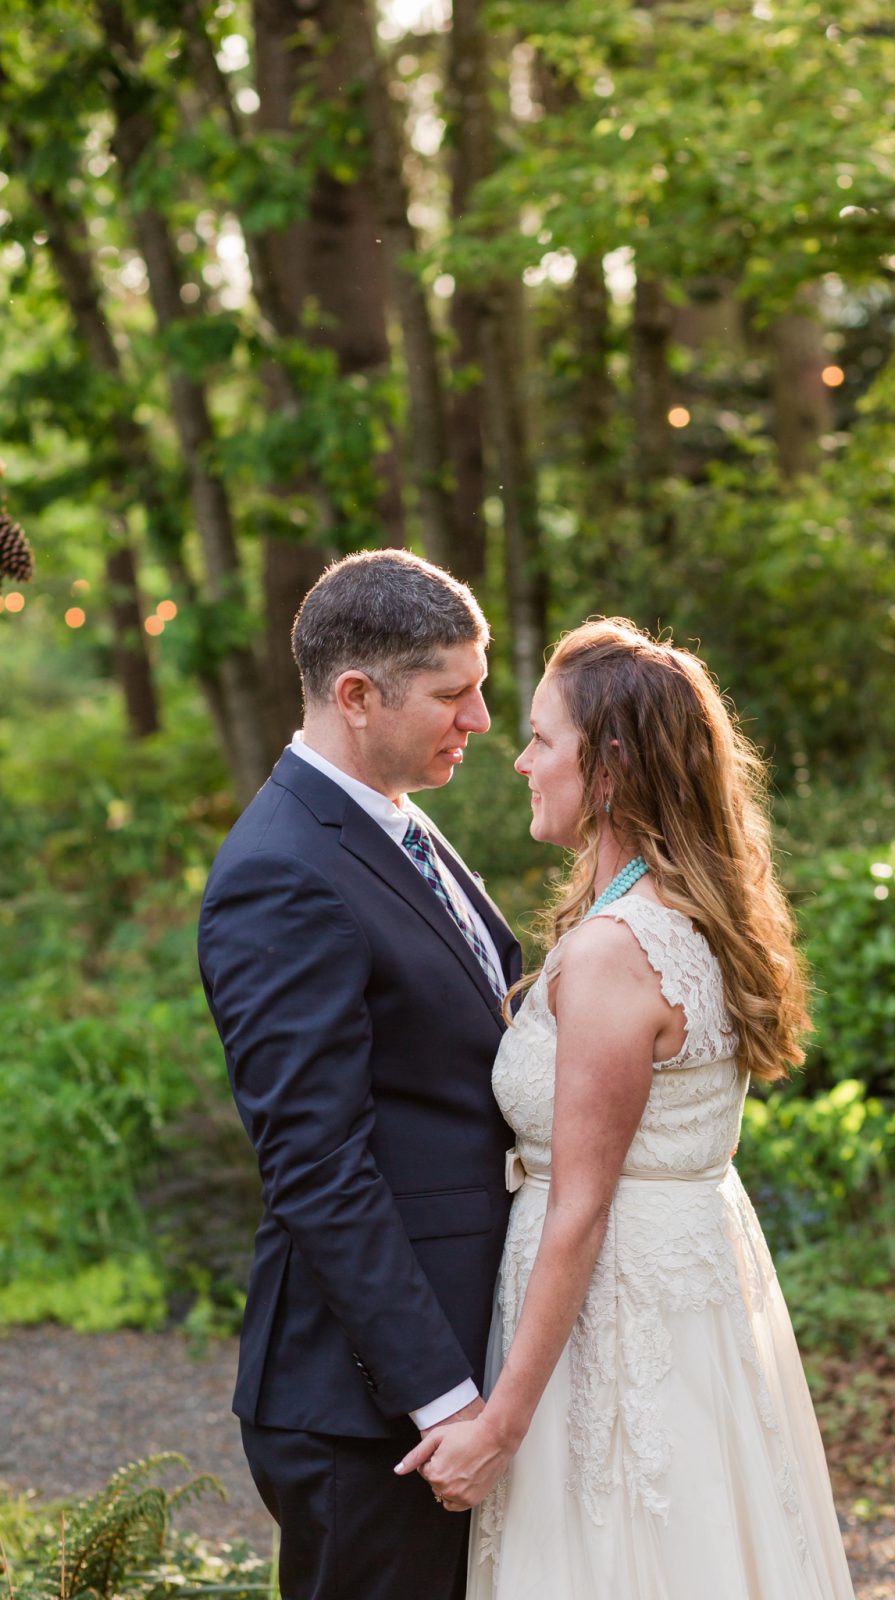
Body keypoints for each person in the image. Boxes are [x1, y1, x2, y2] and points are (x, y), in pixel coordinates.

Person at [397, 617, 856, 1598]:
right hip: (686, 1290)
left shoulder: (616, 949)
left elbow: (580, 1205)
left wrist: (500, 1426)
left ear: (605, 768)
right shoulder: (680, 915)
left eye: (540, 739)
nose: (520, 759)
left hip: (613, 1318)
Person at [197, 550, 521, 1600]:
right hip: (366, 1406)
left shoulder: (392, 819)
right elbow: (315, 1165)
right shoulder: (281, 871)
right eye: (454, 693)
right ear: (355, 694)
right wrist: (442, 1399)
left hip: (453, 1355)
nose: (480, 718)